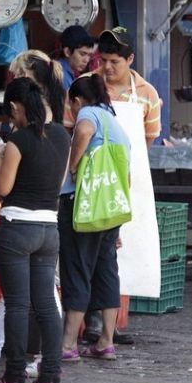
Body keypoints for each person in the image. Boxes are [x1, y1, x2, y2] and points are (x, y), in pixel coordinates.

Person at [0, 48, 66, 377]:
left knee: (17, 303)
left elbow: (3, 189)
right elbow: (57, 183)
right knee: (46, 303)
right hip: (49, 229)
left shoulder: (17, 141)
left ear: (17, 107)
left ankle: (14, 375)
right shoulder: (62, 135)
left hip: (17, 228)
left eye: (11, 112)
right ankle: (51, 375)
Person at [81, 27, 164, 345]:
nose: (107, 67)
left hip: (128, 182)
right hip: (91, 181)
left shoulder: (147, 93)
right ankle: (88, 321)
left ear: (130, 59)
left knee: (121, 255)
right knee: (88, 252)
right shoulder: (86, 87)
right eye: (103, 60)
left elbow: (148, 139)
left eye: (115, 61)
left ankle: (109, 325)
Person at [59, 74, 131, 362]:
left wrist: (73, 166)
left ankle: (67, 345)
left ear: (77, 101)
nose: (73, 111)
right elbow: (125, 176)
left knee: (77, 268)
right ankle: (106, 341)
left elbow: (85, 131)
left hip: (84, 207)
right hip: (110, 211)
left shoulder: (89, 113)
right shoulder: (117, 125)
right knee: (106, 272)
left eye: (71, 105)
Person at [58, 25, 97, 92]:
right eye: (82, 54)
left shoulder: (65, 71)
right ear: (67, 52)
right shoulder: (61, 76)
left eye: (89, 55)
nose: (86, 60)